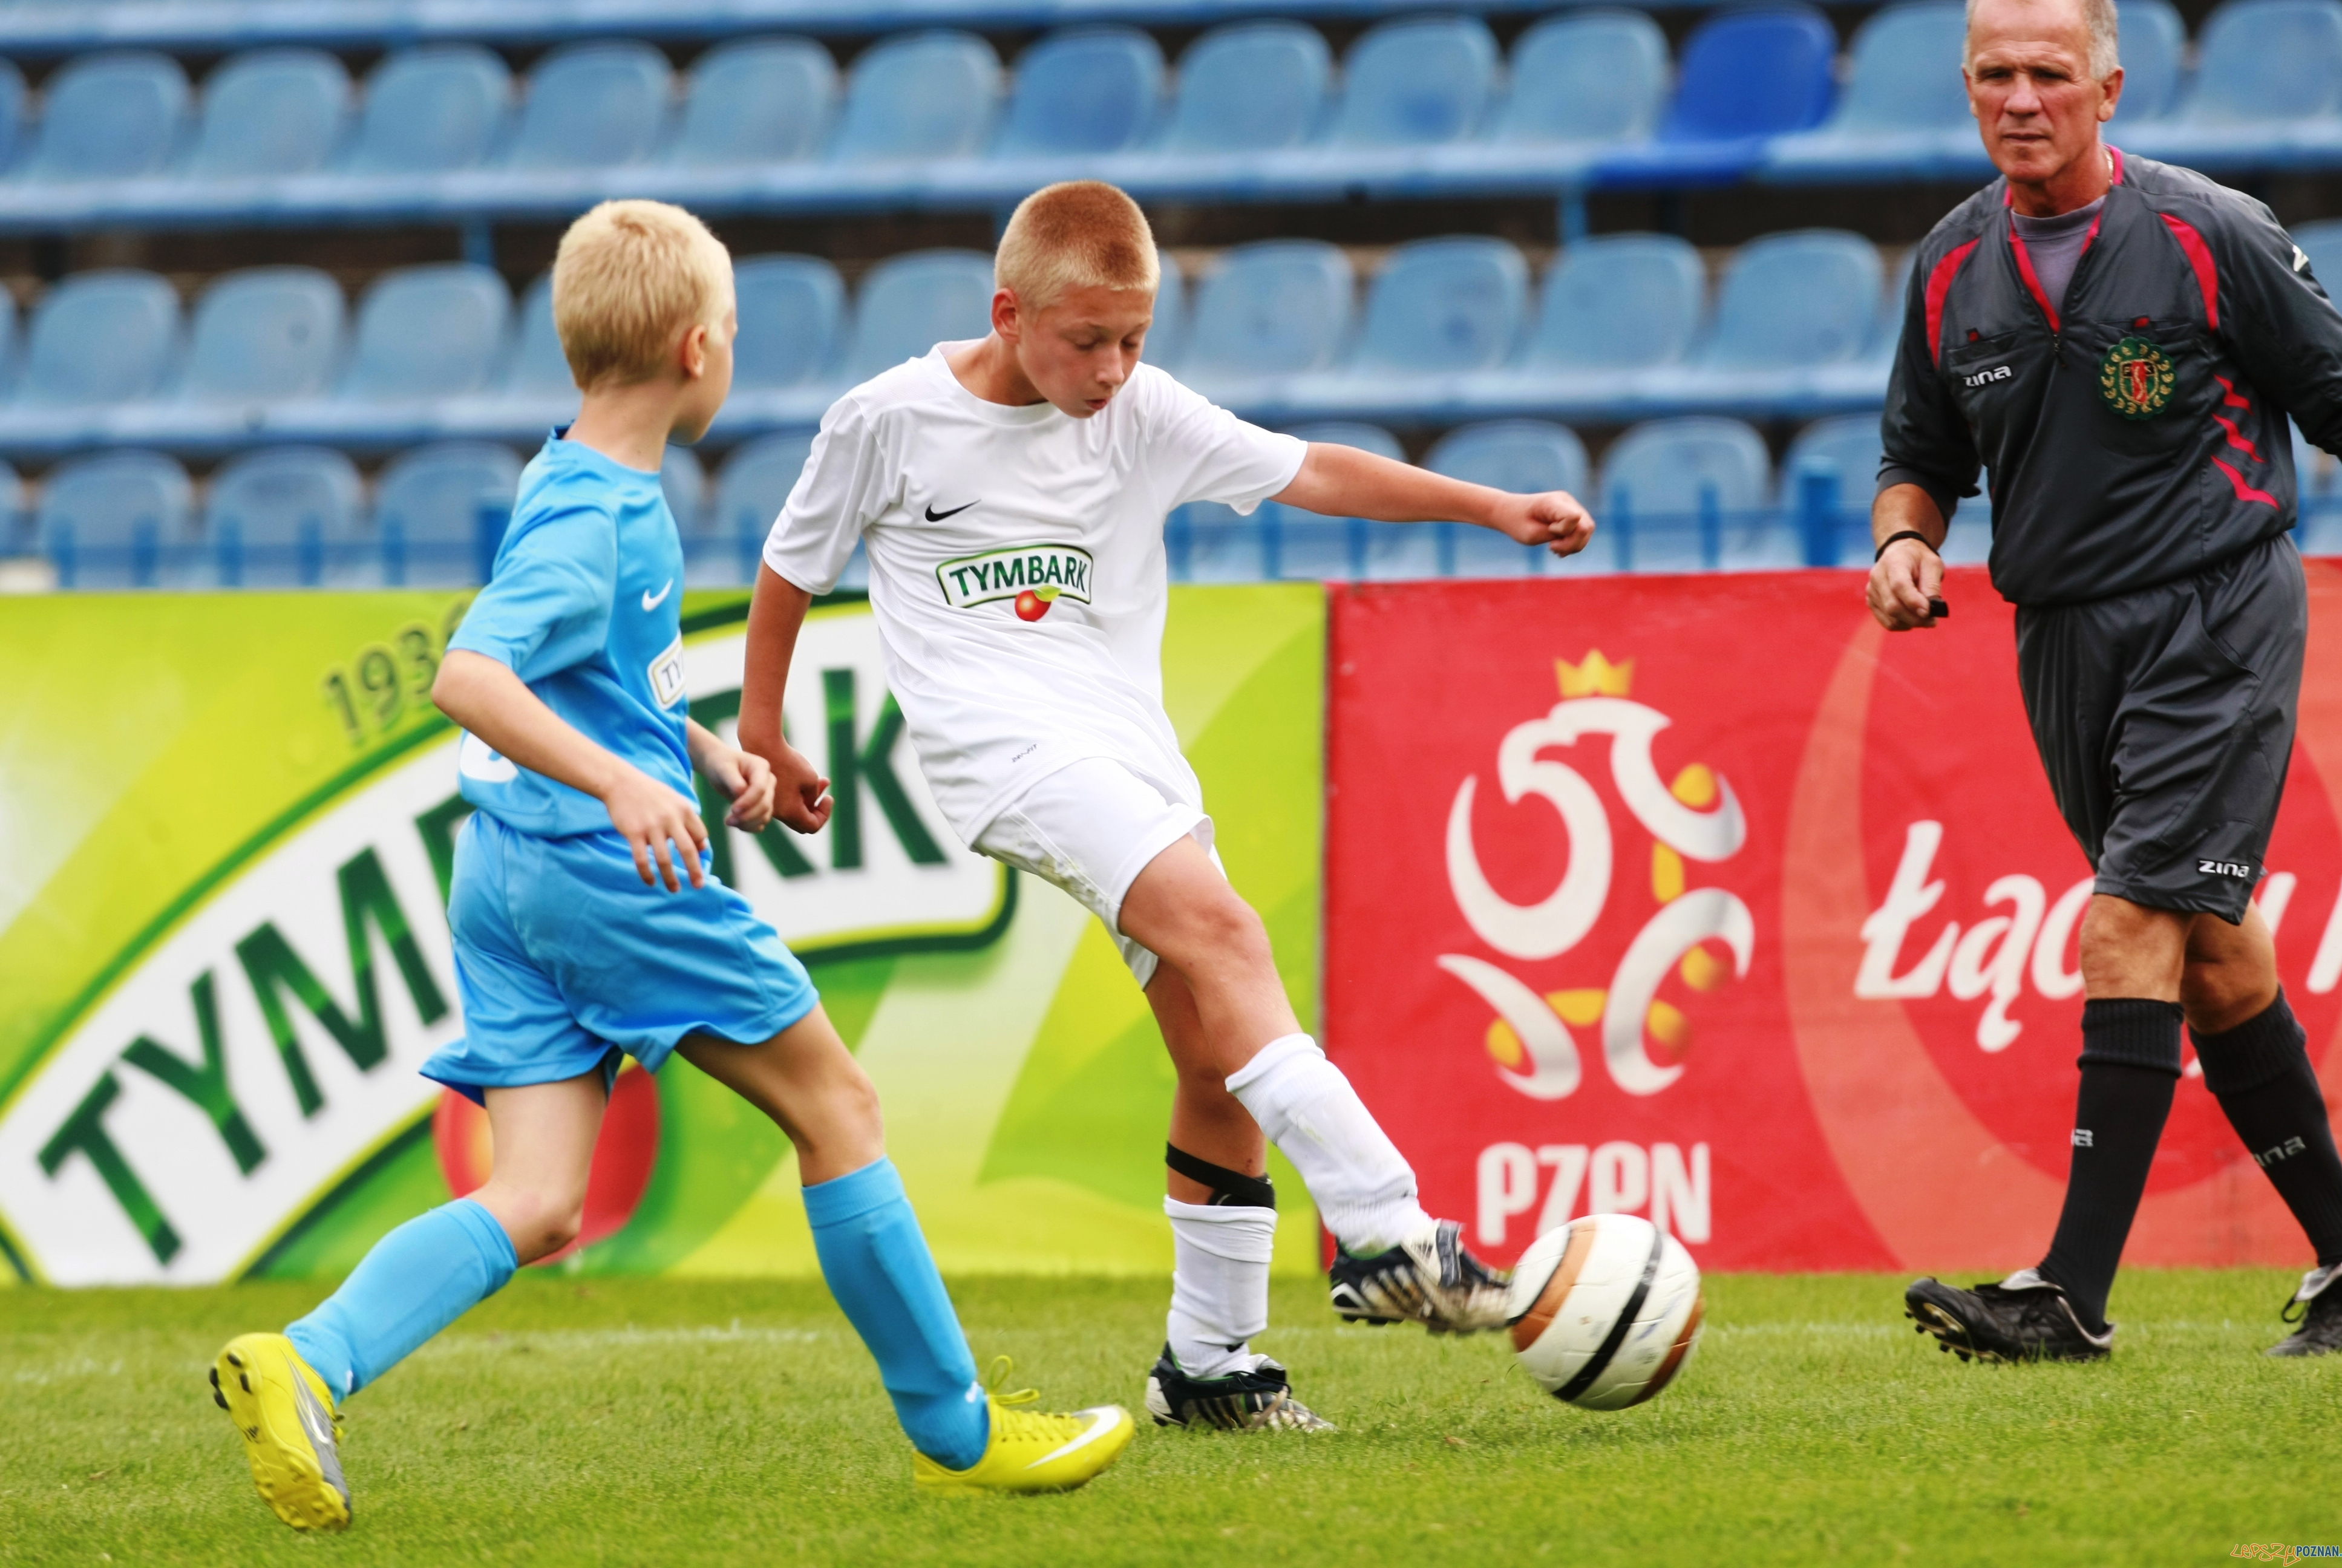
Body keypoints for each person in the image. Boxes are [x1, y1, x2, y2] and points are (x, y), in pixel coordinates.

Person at [209, 200, 1134, 1532]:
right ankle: (960, 1430)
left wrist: (696, 750)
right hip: (603, 880)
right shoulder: (599, 516)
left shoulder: (569, 474)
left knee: (537, 1201)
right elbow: (469, 676)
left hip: (508, 877)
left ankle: (308, 1360)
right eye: (736, 332)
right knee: (840, 1110)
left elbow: (582, 678)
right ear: (700, 349)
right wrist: (627, 784)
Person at [739, 180, 1594, 1432]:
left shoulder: (1141, 412)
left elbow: (1315, 471)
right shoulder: (887, 418)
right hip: (1003, 755)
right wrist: (763, 730)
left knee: (1213, 1053)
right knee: (1228, 935)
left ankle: (1209, 1368)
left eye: (1134, 340)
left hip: (1130, 759)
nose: (1112, 368)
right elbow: (789, 567)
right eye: (1087, 340)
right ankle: (1386, 1227)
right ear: (1009, 313)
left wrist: (1493, 507)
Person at [1876, 0, 2342, 1361]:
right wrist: (1904, 541)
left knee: (2129, 919)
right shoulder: (1950, 262)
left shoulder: (2211, 231)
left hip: (2217, 609)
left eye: (2049, 72)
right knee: (2211, 954)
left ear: (2109, 88)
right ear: (1968, 86)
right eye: (1995, 74)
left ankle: (2067, 1296)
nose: (2021, 98)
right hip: (2061, 638)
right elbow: (1917, 455)